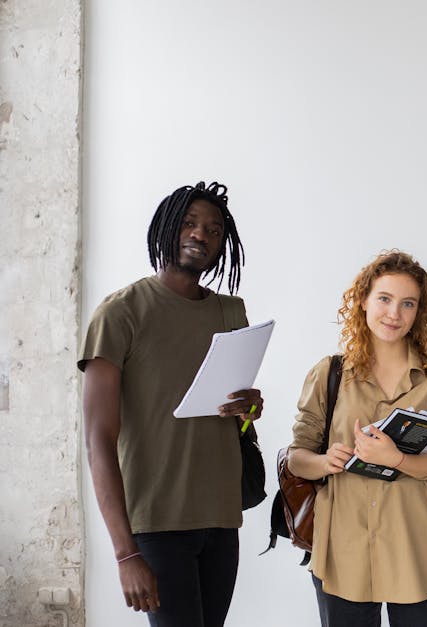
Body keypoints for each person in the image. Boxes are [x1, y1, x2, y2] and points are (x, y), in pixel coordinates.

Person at [80, 181, 264, 626]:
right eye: (189, 223)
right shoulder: (121, 312)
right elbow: (97, 439)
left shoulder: (231, 312)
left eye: (214, 230)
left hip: (221, 518)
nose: (201, 235)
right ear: (165, 228)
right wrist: (126, 553)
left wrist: (249, 409)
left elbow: (239, 423)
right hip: (157, 522)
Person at [287, 251, 427, 627]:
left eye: (408, 304)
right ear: (363, 301)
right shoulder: (329, 373)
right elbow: (296, 456)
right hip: (344, 551)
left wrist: (396, 459)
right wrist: (326, 461)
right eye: (384, 299)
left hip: (416, 548)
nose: (394, 314)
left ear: (419, 311)